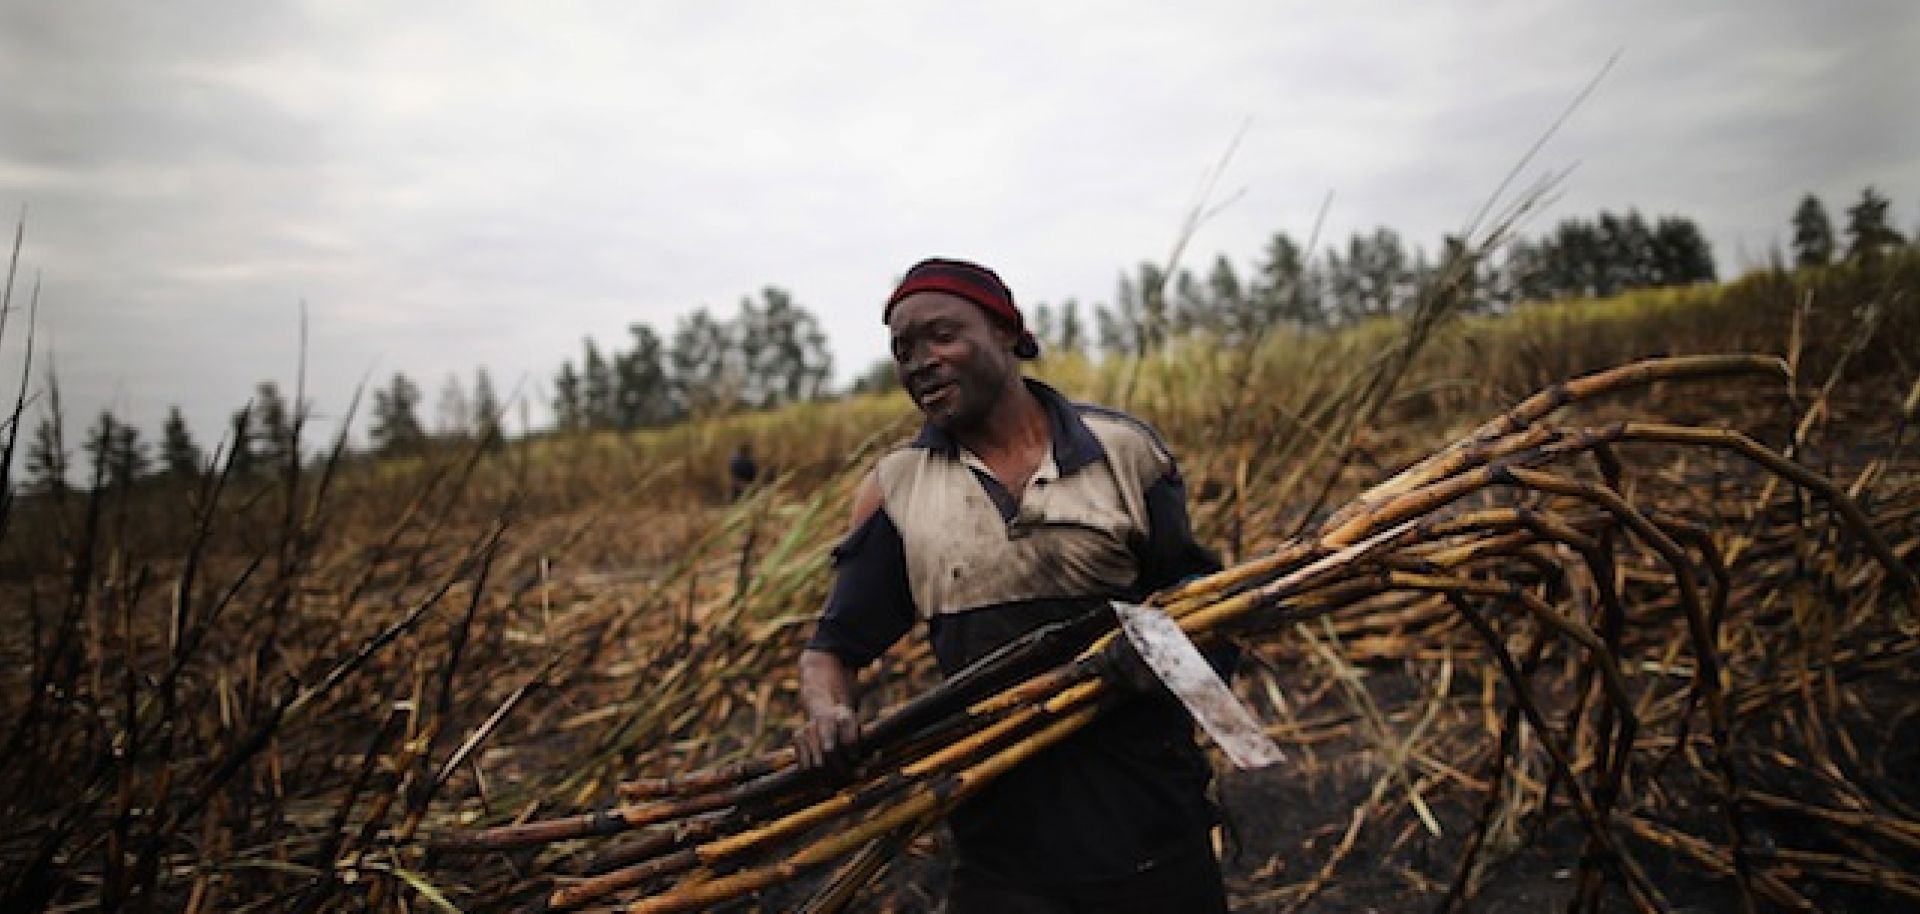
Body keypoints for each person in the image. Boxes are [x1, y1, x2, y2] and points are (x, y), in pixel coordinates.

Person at [794, 258, 1230, 912]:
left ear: (1007, 332)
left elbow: (1209, 610)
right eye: (902, 350)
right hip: (1002, 851)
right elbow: (832, 649)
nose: (919, 361)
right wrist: (828, 712)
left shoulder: (1123, 451)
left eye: (941, 335)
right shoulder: (898, 488)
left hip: (1153, 824)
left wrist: (1162, 654)